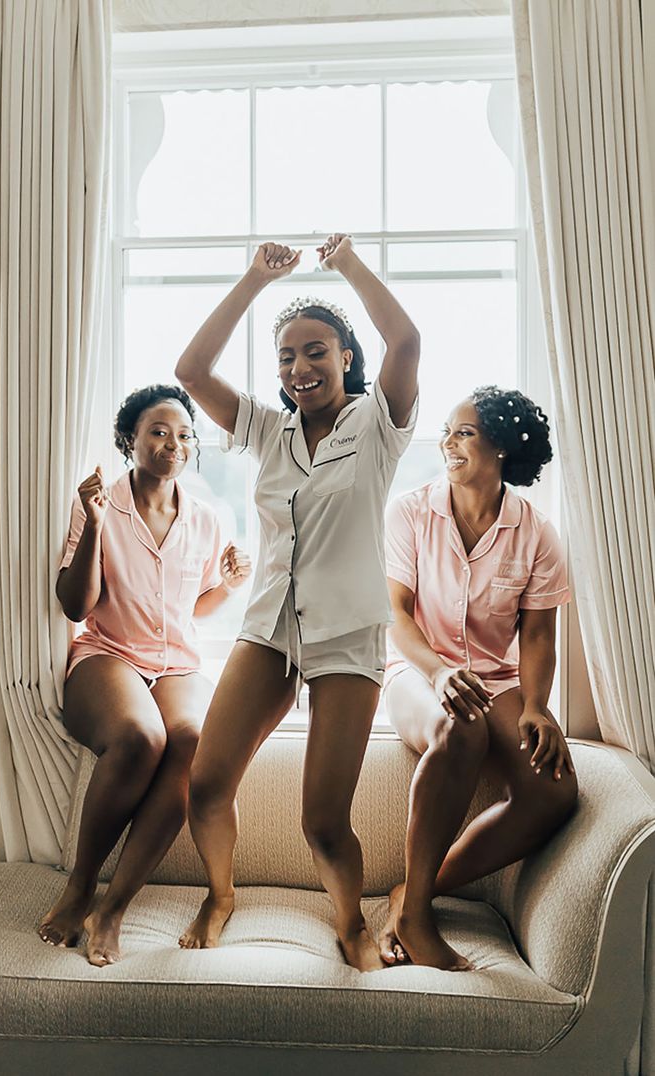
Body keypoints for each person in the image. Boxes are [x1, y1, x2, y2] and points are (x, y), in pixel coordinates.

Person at [174, 234, 420, 971]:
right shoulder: (268, 430)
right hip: (268, 629)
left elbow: (406, 337)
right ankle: (221, 895)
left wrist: (345, 263)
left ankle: (350, 924)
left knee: (322, 821)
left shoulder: (379, 424)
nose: (299, 368)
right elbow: (190, 370)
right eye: (286, 357)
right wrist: (254, 279)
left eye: (315, 351)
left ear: (346, 356)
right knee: (207, 785)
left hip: (347, 638)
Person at [38, 384, 251, 966]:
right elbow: (76, 606)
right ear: (130, 438)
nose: (173, 444)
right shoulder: (101, 503)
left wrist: (227, 587)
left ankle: (114, 907)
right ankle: (81, 886)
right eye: (158, 432)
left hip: (176, 663)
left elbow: (192, 609)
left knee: (194, 743)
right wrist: (96, 525)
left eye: (184, 435)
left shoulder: (209, 518)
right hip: (107, 655)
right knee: (140, 738)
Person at [378, 386, 578, 971]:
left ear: (501, 447)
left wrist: (537, 706)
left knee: (554, 791)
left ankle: (414, 895)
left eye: (463, 432)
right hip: (419, 670)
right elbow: (396, 611)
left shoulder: (538, 533)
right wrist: (438, 671)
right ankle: (417, 919)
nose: (448, 442)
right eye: (447, 430)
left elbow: (539, 635)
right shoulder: (410, 511)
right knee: (459, 729)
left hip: (498, 679)